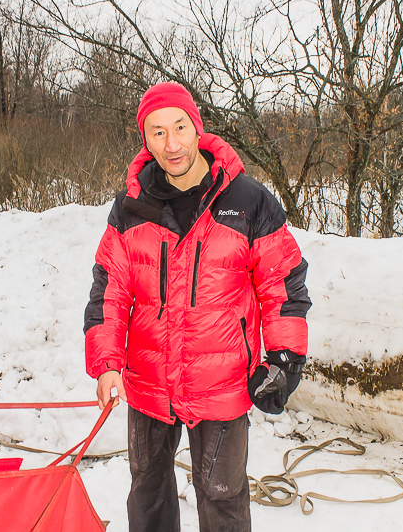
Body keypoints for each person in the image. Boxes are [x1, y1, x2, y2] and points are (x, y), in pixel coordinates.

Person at [84, 82, 311, 532]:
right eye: (158, 132)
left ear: (197, 127)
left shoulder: (248, 201)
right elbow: (109, 288)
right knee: (147, 495)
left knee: (222, 500)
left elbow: (282, 284)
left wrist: (284, 359)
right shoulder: (131, 206)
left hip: (221, 382)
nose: (172, 144)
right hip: (148, 381)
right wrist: (107, 362)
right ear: (145, 140)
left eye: (180, 127)